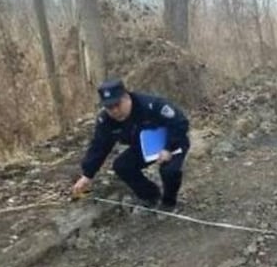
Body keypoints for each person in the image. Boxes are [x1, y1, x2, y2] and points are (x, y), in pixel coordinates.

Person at [72, 78, 190, 212]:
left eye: (118, 104)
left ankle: (169, 203)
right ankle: (151, 196)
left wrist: (168, 148)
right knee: (122, 166)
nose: (115, 110)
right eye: (110, 107)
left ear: (126, 97)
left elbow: (180, 122)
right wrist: (87, 175)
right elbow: (99, 146)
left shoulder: (151, 105)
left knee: (169, 171)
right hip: (144, 147)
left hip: (172, 142)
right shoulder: (106, 121)